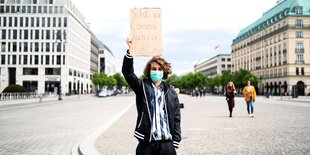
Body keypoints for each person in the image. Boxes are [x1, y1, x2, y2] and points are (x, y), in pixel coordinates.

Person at [122, 37, 181, 155]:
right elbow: (128, 73)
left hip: (167, 144)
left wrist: (176, 140)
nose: (156, 71)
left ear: (164, 72)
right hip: (146, 145)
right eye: (153, 69)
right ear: (149, 71)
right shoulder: (142, 87)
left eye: (159, 69)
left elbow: (176, 117)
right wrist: (130, 51)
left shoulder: (171, 92)